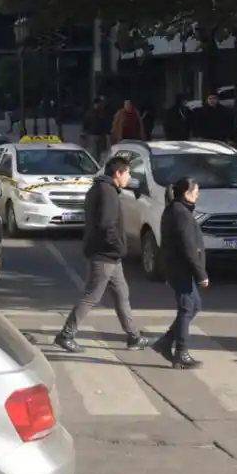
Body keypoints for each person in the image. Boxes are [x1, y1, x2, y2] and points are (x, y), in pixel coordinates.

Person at [54, 156, 148, 353]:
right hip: (105, 254)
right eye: (127, 173)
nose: (128, 177)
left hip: (109, 255)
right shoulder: (107, 193)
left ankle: (133, 336)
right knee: (92, 295)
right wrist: (119, 248)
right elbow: (106, 225)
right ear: (118, 173)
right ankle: (66, 334)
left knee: (122, 294)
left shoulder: (101, 189)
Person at [153, 177, 207, 369]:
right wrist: (201, 274)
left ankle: (166, 342)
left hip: (178, 267)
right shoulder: (180, 213)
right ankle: (180, 353)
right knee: (187, 308)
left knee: (194, 306)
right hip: (179, 268)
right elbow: (189, 246)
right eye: (195, 191)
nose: (198, 195)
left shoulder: (178, 210)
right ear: (186, 193)